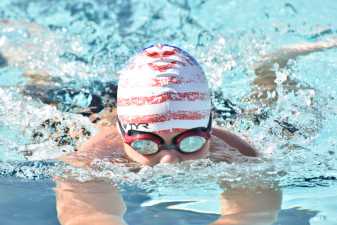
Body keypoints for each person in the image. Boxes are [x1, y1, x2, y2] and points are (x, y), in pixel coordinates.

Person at [55, 44, 283, 225]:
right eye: (146, 145)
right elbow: (88, 218)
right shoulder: (90, 161)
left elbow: (253, 215)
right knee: (45, 97)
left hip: (208, 108)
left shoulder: (239, 153)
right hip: (90, 104)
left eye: (190, 142)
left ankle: (268, 71)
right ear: (122, 132)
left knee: (272, 119)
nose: (169, 162)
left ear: (209, 131)